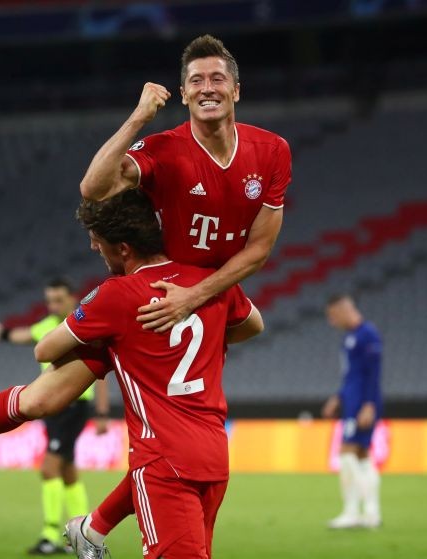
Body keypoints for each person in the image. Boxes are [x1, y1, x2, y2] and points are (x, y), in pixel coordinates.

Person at [0, 190, 263, 559]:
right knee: (42, 399)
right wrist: (188, 320)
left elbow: (44, 349)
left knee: (38, 399)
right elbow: (253, 326)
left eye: (98, 242)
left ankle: (87, 527)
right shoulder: (208, 278)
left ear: (124, 249)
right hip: (208, 452)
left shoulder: (116, 294)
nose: (93, 249)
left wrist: (129, 338)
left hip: (174, 455)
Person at [67, 32, 292, 557]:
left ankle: (92, 529)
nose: (207, 87)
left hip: (203, 297)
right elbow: (93, 188)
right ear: (184, 94)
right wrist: (139, 117)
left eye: (217, 79)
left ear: (237, 89)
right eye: (196, 81)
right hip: (154, 293)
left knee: (251, 335)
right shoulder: (164, 150)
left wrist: (195, 298)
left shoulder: (272, 151)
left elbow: (259, 251)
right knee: (51, 392)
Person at [0, 279, 110, 555]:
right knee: (67, 471)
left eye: (58, 299)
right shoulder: (48, 325)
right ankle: (84, 532)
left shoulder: (85, 325)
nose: (52, 305)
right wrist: (2, 334)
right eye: (49, 300)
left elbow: (100, 373)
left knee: (49, 468)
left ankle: (50, 535)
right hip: (53, 408)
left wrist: (102, 412)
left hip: (75, 405)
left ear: (71, 298)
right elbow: (26, 335)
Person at [321, 294, 383, 529]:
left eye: (333, 316)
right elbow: (351, 376)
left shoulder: (368, 334)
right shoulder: (350, 337)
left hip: (361, 405)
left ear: (344, 309)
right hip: (351, 402)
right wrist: (338, 397)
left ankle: (353, 512)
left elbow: (373, 374)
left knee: (347, 454)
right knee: (362, 457)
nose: (332, 321)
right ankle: (371, 513)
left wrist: (368, 404)